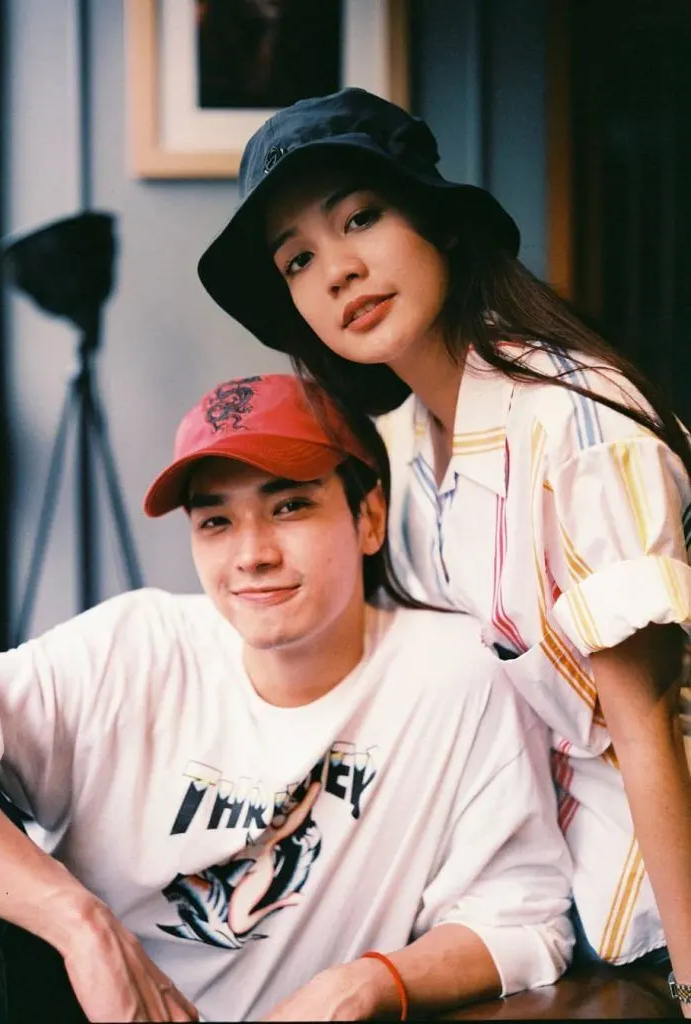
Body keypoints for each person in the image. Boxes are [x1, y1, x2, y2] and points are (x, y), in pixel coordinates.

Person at [196, 86, 691, 1012]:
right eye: (299, 258)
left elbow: (647, 723)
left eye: (361, 218)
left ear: (442, 224)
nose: (339, 271)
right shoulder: (403, 452)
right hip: (537, 888)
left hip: (658, 904)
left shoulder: (574, 421)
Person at [0, 373, 574, 1022]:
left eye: (290, 506)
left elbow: (520, 919)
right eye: (216, 522)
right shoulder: (134, 650)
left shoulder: (453, 676)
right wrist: (76, 920)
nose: (252, 554)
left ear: (368, 518)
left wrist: (368, 983)